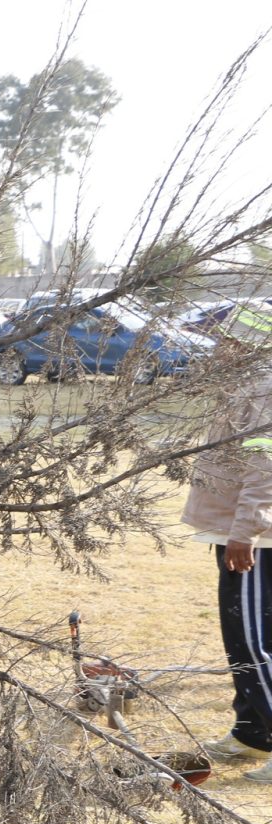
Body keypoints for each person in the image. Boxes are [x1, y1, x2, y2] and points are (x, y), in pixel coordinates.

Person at [181, 305, 272, 780]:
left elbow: (264, 467)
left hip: (255, 538)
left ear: (244, 342)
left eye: (223, 340)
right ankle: (252, 734)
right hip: (239, 529)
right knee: (244, 640)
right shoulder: (243, 385)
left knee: (253, 642)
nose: (216, 348)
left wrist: (245, 531)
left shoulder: (261, 388)